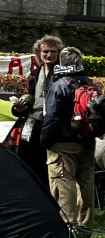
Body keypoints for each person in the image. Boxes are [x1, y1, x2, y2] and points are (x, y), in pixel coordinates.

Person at [41, 46, 101, 228]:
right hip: (87, 141)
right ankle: (86, 226)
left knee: (63, 184)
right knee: (86, 183)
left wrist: (45, 140)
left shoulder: (59, 85)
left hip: (63, 143)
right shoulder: (90, 83)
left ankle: (67, 228)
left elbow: (51, 117)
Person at [10, 34, 64, 184]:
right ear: (39, 54)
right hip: (33, 122)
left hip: (54, 124)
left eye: (53, 51)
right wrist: (19, 108)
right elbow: (29, 97)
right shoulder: (34, 75)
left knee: (49, 164)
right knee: (27, 158)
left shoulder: (63, 75)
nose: (49, 55)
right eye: (45, 51)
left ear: (59, 53)